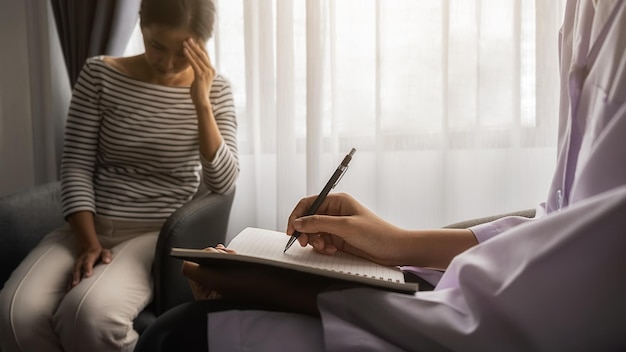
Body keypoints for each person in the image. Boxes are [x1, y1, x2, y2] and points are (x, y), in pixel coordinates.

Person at [135, 0, 626, 351]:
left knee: (174, 335)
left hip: (491, 322)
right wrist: (399, 242)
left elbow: (531, 313)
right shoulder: (584, 11)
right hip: (473, 297)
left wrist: (277, 289)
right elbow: (555, 223)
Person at [0, 0, 239, 351]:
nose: (168, 63)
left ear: (202, 45)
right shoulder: (100, 74)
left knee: (90, 317)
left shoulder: (216, 90)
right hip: (89, 225)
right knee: (14, 314)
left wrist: (201, 102)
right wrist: (87, 241)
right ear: (141, 24)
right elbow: (76, 165)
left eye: (182, 52)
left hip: (155, 235)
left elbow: (223, 182)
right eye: (157, 46)